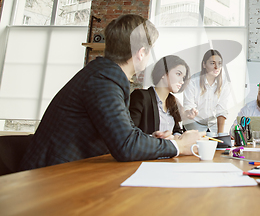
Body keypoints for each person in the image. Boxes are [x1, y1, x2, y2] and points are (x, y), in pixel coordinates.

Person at [20, 14, 204, 171]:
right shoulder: (104, 80)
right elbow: (126, 145)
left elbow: (121, 134)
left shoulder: (102, 74)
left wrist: (150, 139)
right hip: (49, 178)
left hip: (66, 172)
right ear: (141, 53)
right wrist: (178, 145)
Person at [129, 55, 194, 135]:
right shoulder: (141, 97)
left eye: (183, 77)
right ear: (163, 73)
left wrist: (177, 137)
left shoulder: (173, 102)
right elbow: (130, 133)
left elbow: (177, 131)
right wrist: (156, 139)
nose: (182, 81)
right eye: (178, 74)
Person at [183, 49, 231, 134]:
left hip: (213, 125)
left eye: (219, 63)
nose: (216, 67)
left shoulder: (224, 82)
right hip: (195, 123)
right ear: (204, 64)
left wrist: (220, 135)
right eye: (212, 63)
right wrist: (190, 112)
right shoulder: (193, 81)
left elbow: (222, 109)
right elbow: (188, 105)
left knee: (221, 144)